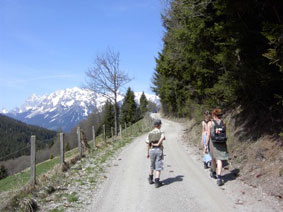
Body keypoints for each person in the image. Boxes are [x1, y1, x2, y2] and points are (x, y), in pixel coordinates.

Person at [205, 109, 228, 186]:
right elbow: (224, 133)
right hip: (222, 142)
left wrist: (205, 145)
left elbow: (208, 135)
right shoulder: (223, 122)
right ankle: (219, 177)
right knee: (219, 159)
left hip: (213, 143)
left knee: (213, 159)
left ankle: (213, 171)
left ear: (214, 115)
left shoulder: (210, 123)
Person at [146, 119, 165, 188]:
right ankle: (157, 181)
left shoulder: (150, 133)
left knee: (152, 164)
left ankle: (150, 178)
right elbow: (163, 137)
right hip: (159, 149)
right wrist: (158, 144)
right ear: (159, 125)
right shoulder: (161, 132)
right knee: (158, 164)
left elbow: (148, 144)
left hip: (151, 149)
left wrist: (147, 153)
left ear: (154, 125)